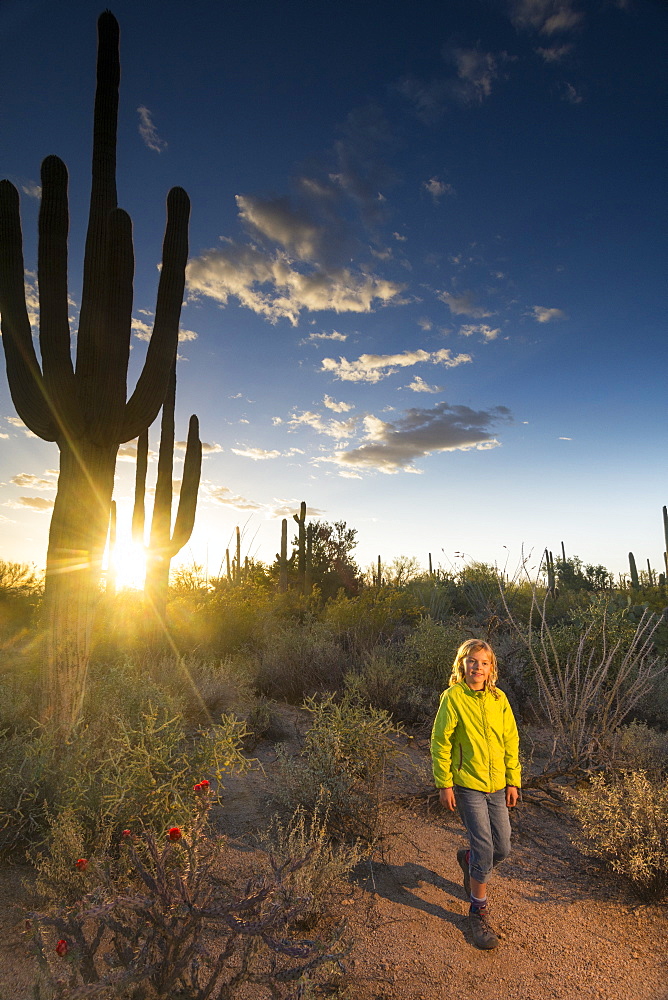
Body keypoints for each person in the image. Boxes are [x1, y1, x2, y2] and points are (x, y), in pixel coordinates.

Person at [431, 639, 521, 950]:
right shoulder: (453, 698)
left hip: (497, 786)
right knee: (484, 846)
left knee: (503, 848)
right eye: (472, 661)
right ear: (462, 664)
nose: (477, 667)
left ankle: (468, 861)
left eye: (483, 663)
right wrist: (444, 783)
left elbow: (510, 740)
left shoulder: (498, 698)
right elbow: (440, 742)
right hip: (469, 784)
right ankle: (477, 911)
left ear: (491, 668)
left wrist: (513, 781)